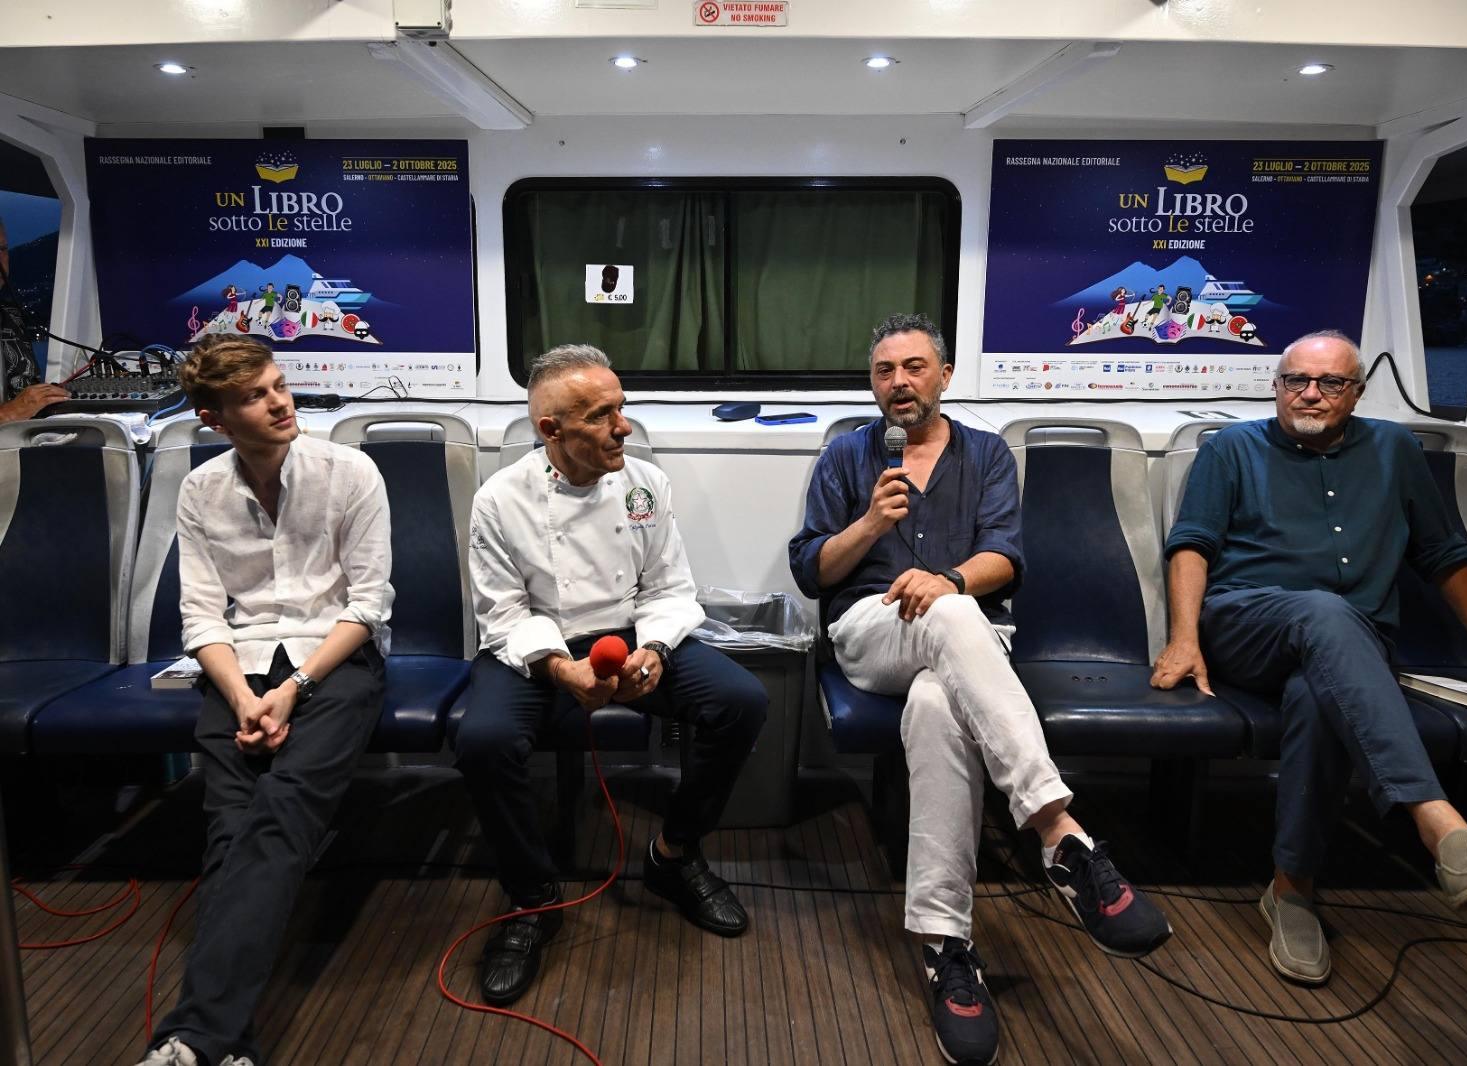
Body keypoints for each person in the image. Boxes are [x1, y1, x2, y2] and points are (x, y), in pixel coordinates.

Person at [789, 313, 1171, 1066]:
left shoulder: (987, 453)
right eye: (884, 371)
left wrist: (949, 580)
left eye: (914, 367)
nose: (899, 382)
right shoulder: (845, 456)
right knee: (950, 618)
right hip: (870, 630)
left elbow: (1006, 558)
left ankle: (944, 946)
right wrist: (868, 525)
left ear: (944, 375)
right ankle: (1059, 832)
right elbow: (812, 572)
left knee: (938, 700)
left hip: (964, 636)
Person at [1152, 328, 1467, 986]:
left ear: (1356, 393)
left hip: (1351, 643)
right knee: (1323, 611)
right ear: (1276, 387)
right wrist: (1184, 638)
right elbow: (1192, 543)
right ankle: (1438, 823)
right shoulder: (1232, 448)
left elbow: (1442, 552)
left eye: (1330, 382)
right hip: (1248, 624)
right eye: (1296, 380)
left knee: (1317, 692)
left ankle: (1292, 889)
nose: (1310, 393)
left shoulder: (1395, 450)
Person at [454, 343, 768, 1007]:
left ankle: (674, 856)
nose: (623, 426)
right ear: (551, 430)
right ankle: (533, 900)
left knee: (741, 700)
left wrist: (653, 649)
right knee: (483, 741)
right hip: (535, 643)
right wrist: (560, 668)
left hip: (629, 633)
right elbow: (502, 614)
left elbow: (669, 588)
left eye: (621, 408)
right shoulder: (499, 500)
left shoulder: (645, 485)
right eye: (601, 416)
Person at [138, 335, 394, 1066]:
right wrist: (242, 697)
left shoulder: (350, 472)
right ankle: (226, 1043)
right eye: (254, 396)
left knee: (281, 809)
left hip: (335, 659)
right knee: (229, 827)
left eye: (278, 385)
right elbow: (202, 618)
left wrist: (291, 689)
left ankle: (192, 1038)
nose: (280, 403)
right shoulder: (200, 491)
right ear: (213, 418)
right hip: (240, 668)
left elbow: (369, 605)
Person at [0, 213, 68, 423]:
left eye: (2, 249)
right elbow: (15, 410)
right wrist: (8, 413)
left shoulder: (11, 316)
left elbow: (25, 392)